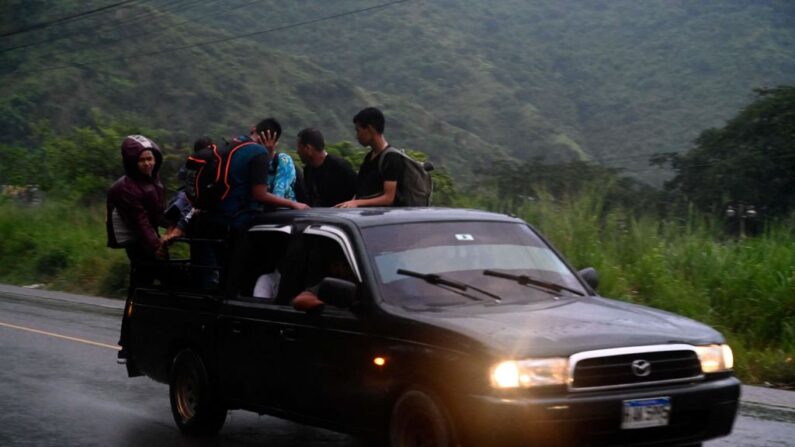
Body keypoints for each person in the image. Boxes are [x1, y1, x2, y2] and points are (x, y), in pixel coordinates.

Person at [106, 134, 167, 360]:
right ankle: (128, 344)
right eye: (142, 160)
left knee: (146, 290)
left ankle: (140, 340)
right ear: (132, 162)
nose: (148, 164)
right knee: (139, 292)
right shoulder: (127, 189)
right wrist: (156, 246)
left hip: (151, 241)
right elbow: (140, 222)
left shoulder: (154, 181)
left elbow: (158, 216)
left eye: (150, 159)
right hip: (139, 246)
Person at [336, 107, 405, 208]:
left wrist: (357, 202)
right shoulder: (369, 157)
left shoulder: (391, 158)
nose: (357, 136)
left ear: (370, 129)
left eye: (358, 131)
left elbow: (388, 198)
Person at [295, 128, 356, 207]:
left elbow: (359, 192)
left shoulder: (340, 166)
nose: (297, 151)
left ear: (308, 148)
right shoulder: (308, 170)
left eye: (299, 147)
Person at [257, 118, 309, 208]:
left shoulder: (284, 160)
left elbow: (279, 194)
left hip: (284, 215)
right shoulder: (253, 160)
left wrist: (267, 155)